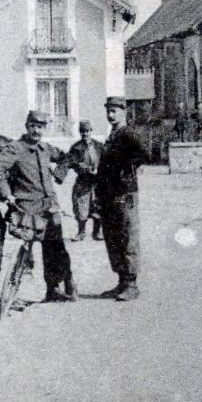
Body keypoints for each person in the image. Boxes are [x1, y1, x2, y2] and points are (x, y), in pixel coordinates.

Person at [0, 110, 76, 302]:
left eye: (40, 127)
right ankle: (13, 289)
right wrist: (6, 194)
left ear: (45, 128)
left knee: (55, 249)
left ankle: (53, 289)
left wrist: (59, 175)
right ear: (27, 126)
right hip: (27, 208)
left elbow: (66, 157)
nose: (36, 131)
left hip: (49, 207)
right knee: (25, 247)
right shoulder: (16, 148)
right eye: (33, 126)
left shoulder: (46, 149)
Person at [95, 96, 146, 301]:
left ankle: (132, 284)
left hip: (124, 193)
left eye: (114, 111)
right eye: (108, 110)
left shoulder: (128, 133)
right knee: (113, 235)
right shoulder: (112, 135)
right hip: (109, 193)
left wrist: (128, 169)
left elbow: (143, 153)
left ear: (123, 112)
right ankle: (121, 282)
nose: (110, 115)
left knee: (127, 233)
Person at [56, 120, 104, 241]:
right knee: (81, 208)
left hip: (98, 182)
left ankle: (97, 232)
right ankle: (81, 232)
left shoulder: (99, 146)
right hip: (83, 182)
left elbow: (106, 161)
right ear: (80, 132)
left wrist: (99, 170)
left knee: (98, 206)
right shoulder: (76, 148)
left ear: (91, 131)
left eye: (87, 131)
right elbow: (72, 162)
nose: (85, 134)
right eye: (82, 131)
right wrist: (86, 168)